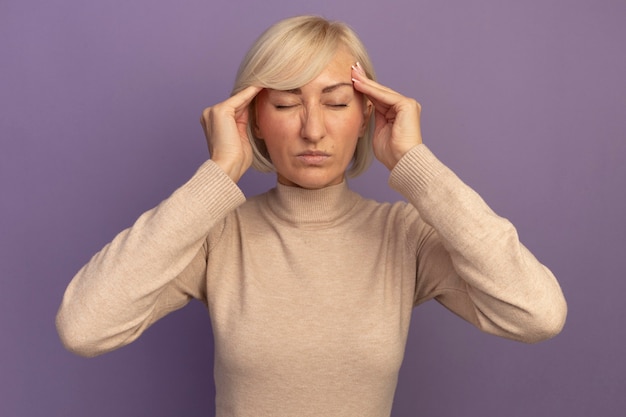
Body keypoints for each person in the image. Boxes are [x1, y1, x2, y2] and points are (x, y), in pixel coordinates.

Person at [56, 15, 567, 417]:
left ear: (366, 112)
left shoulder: (403, 237)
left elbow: (537, 314)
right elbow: (84, 327)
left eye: (337, 102)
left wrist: (417, 165)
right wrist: (215, 176)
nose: (314, 130)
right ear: (251, 119)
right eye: (284, 105)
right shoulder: (217, 235)